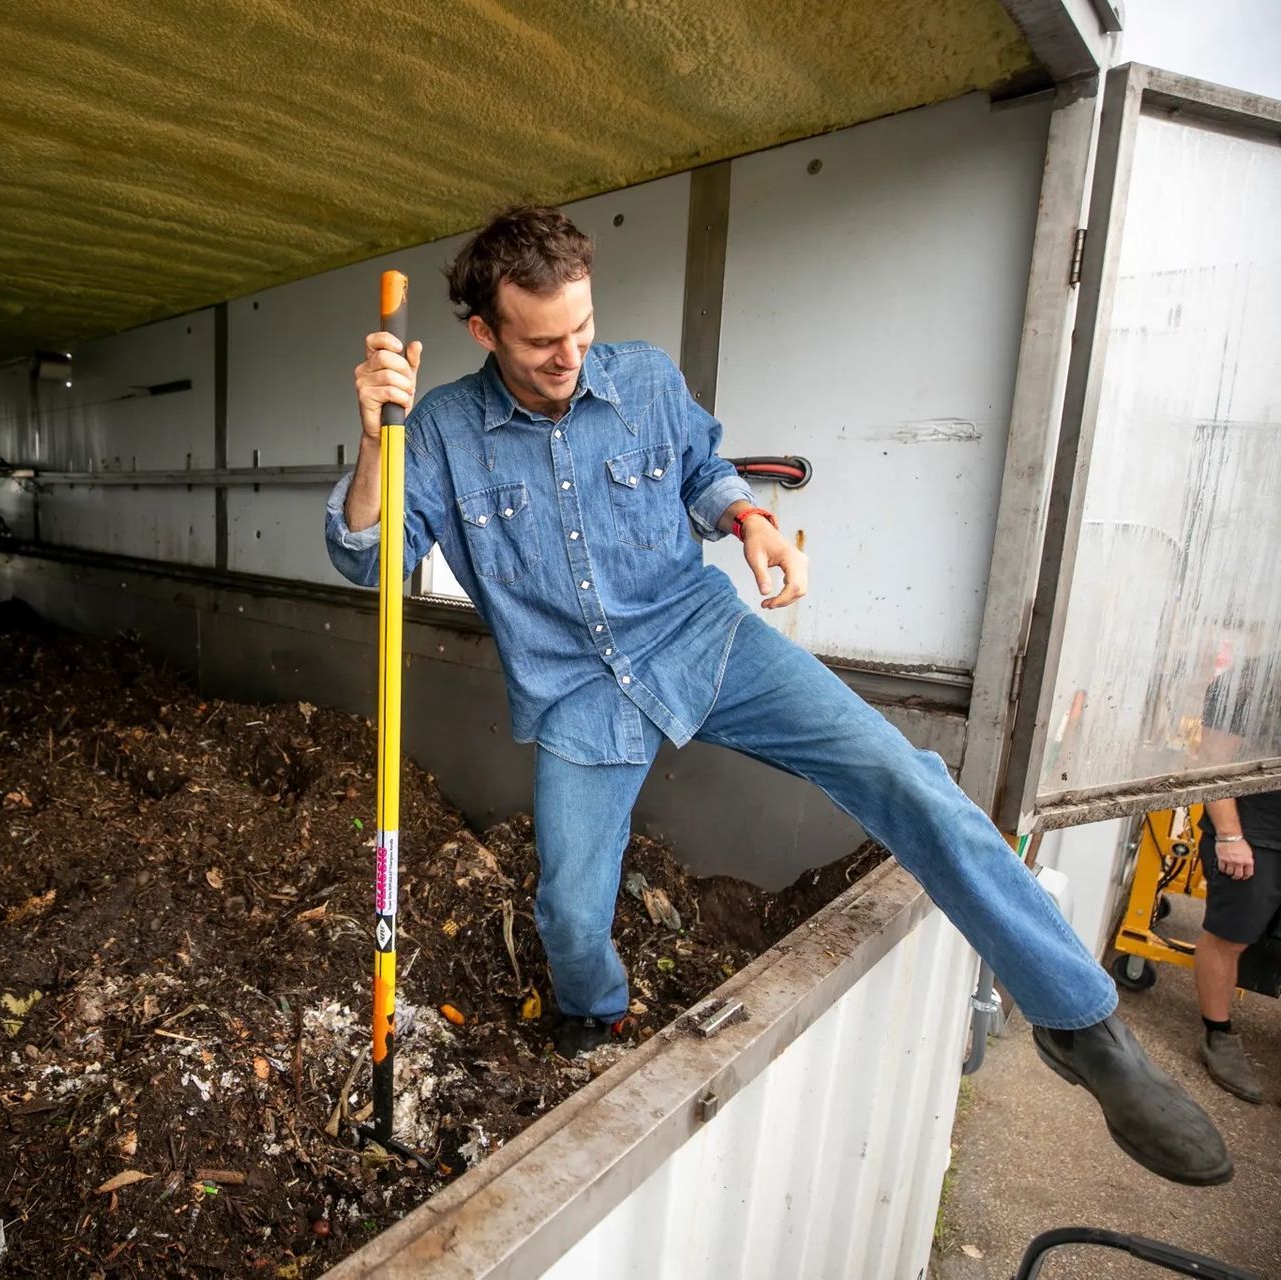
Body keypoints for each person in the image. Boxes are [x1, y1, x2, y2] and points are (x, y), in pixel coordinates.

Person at [322, 206, 1231, 1187]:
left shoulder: (643, 378)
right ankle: (593, 1017)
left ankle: (1082, 1023)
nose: (570, 356)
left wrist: (749, 521)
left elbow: (703, 470)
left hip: (702, 640)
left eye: (582, 328)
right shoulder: (442, 430)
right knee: (571, 913)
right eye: (543, 342)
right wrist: (374, 441)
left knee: (904, 775)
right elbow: (368, 558)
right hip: (579, 689)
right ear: (483, 331)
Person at [1192, 652, 1280, 1104]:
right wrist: (1229, 835)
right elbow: (1213, 761)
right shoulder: (1250, 681)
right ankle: (1218, 1035)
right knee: (1230, 938)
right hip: (1253, 835)